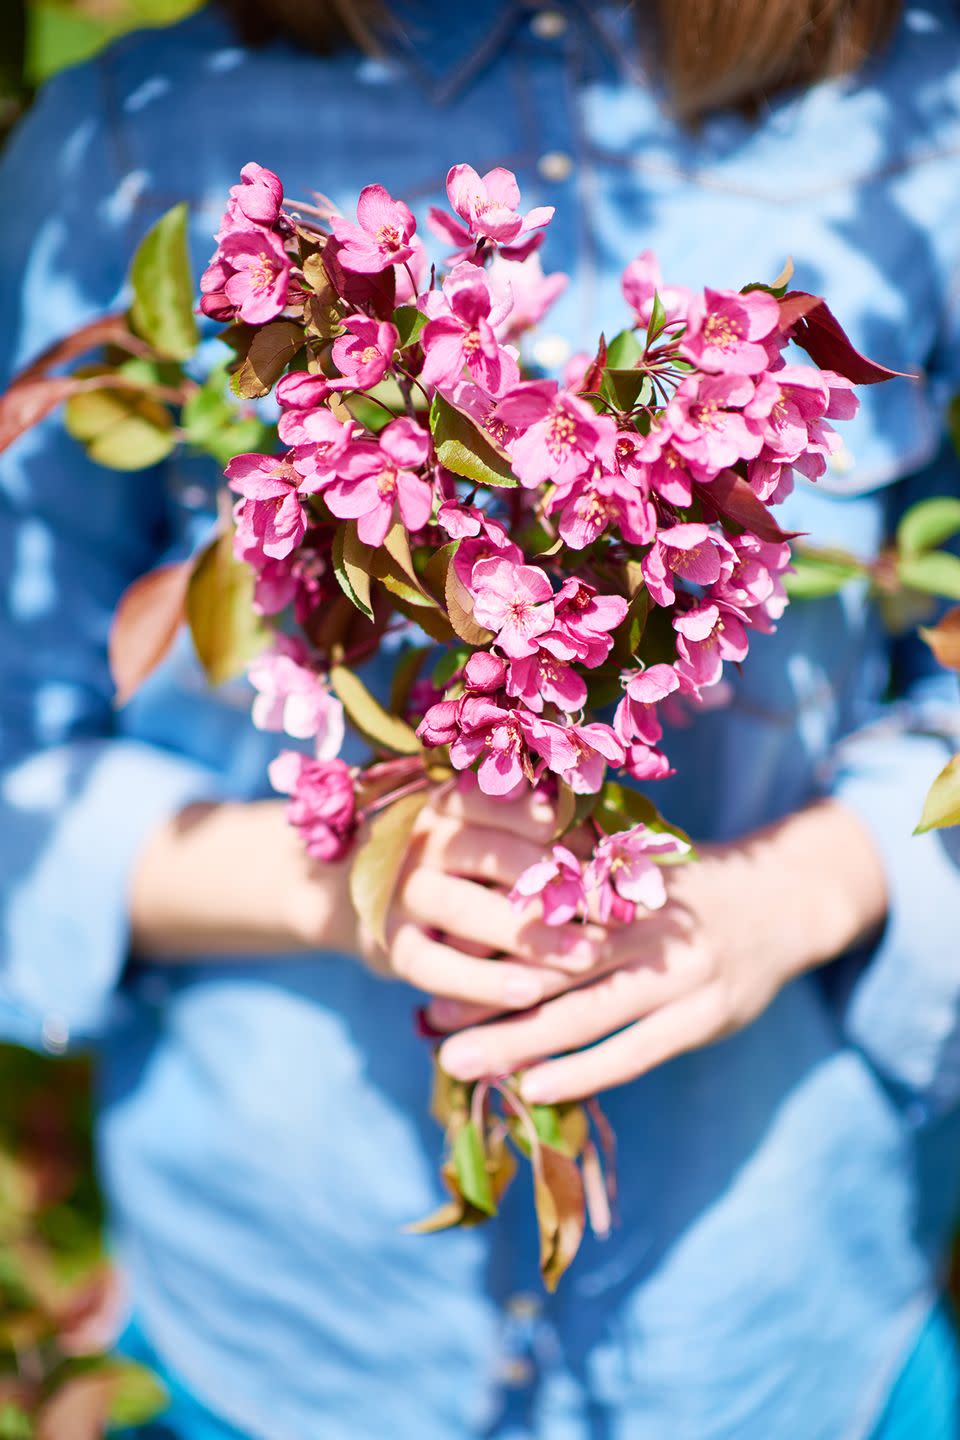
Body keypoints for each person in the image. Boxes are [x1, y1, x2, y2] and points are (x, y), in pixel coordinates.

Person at [1, 1, 960, 1436]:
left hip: (780, 1306)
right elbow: (24, 763)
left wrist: (799, 893)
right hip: (290, 1321)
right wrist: (344, 878)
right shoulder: (136, 141)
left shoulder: (922, 118)